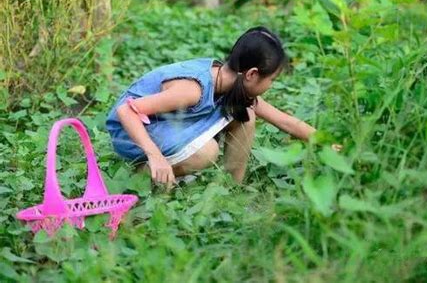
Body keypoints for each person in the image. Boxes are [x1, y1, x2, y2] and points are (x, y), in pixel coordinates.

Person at [106, 26, 340, 185]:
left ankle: (232, 191)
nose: (271, 85)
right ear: (252, 74)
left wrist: (328, 144)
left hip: (164, 124)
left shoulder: (231, 84)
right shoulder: (192, 90)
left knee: (245, 112)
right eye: (272, 80)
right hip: (131, 132)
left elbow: (284, 120)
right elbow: (126, 110)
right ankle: (143, 174)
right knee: (206, 153)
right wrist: (154, 155)